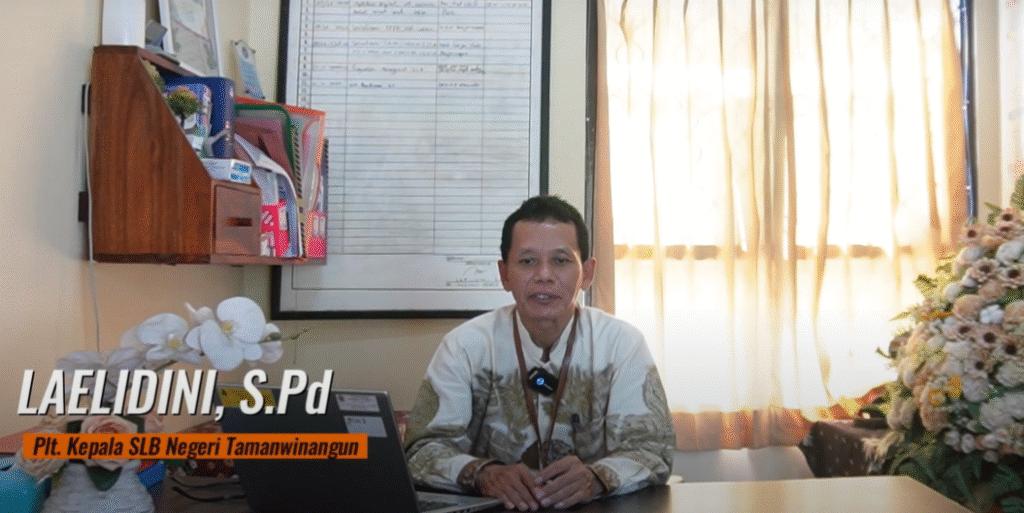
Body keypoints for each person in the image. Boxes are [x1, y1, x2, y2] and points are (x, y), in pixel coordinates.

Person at [404, 195, 675, 511]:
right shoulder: (465, 346)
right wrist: (482, 473)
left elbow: (653, 450)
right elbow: (420, 451)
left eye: (560, 261)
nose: (544, 275)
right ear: (505, 274)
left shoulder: (621, 344)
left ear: (587, 273)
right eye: (527, 261)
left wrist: (597, 478)